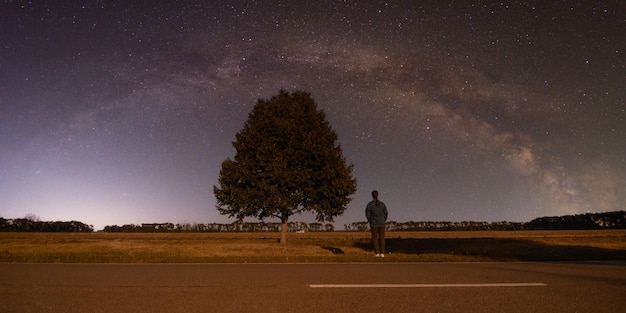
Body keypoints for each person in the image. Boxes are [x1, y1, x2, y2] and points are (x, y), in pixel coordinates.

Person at [365, 190, 388, 257]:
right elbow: (386, 213)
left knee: (375, 238)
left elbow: (367, 214)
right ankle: (382, 253)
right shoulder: (382, 204)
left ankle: (377, 253)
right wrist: (383, 220)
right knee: (382, 238)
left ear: (372, 195)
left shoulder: (370, 204)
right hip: (381, 223)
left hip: (374, 223)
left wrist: (370, 220)